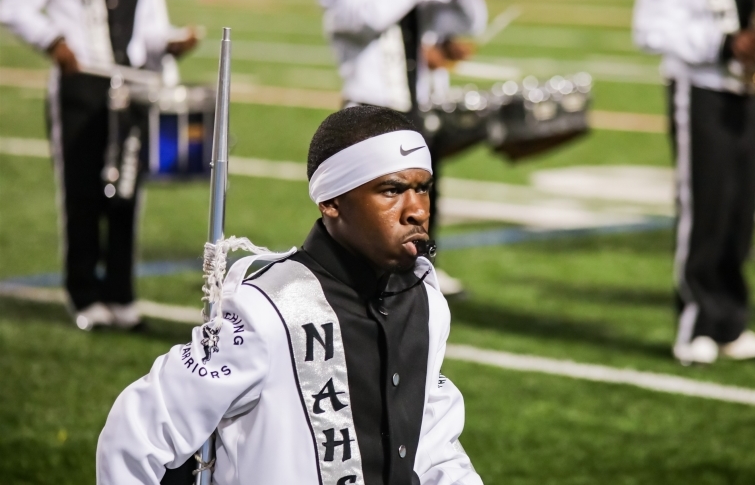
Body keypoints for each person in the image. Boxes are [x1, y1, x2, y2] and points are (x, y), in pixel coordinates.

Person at [96, 105, 482, 485]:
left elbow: (432, 442)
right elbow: (138, 431)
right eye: (392, 190)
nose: (416, 210)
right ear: (331, 201)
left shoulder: (426, 303)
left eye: (423, 189)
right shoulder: (266, 308)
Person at [0, 0, 197, 330]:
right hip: (81, 86)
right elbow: (12, 7)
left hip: (133, 85)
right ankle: (85, 294)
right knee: (82, 190)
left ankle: (121, 295)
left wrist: (171, 42)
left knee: (129, 192)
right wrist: (53, 41)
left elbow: (150, 30)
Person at [632, 0, 755, 364]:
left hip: (747, 89)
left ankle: (730, 324)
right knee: (705, 207)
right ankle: (697, 325)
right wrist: (725, 44)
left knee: (741, 210)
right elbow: (649, 30)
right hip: (699, 86)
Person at [317, 0, 488, 295]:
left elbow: (471, 21)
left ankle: (418, 268)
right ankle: (356, 277)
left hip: (415, 108)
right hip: (367, 113)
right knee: (373, 206)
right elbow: (370, 16)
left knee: (420, 198)